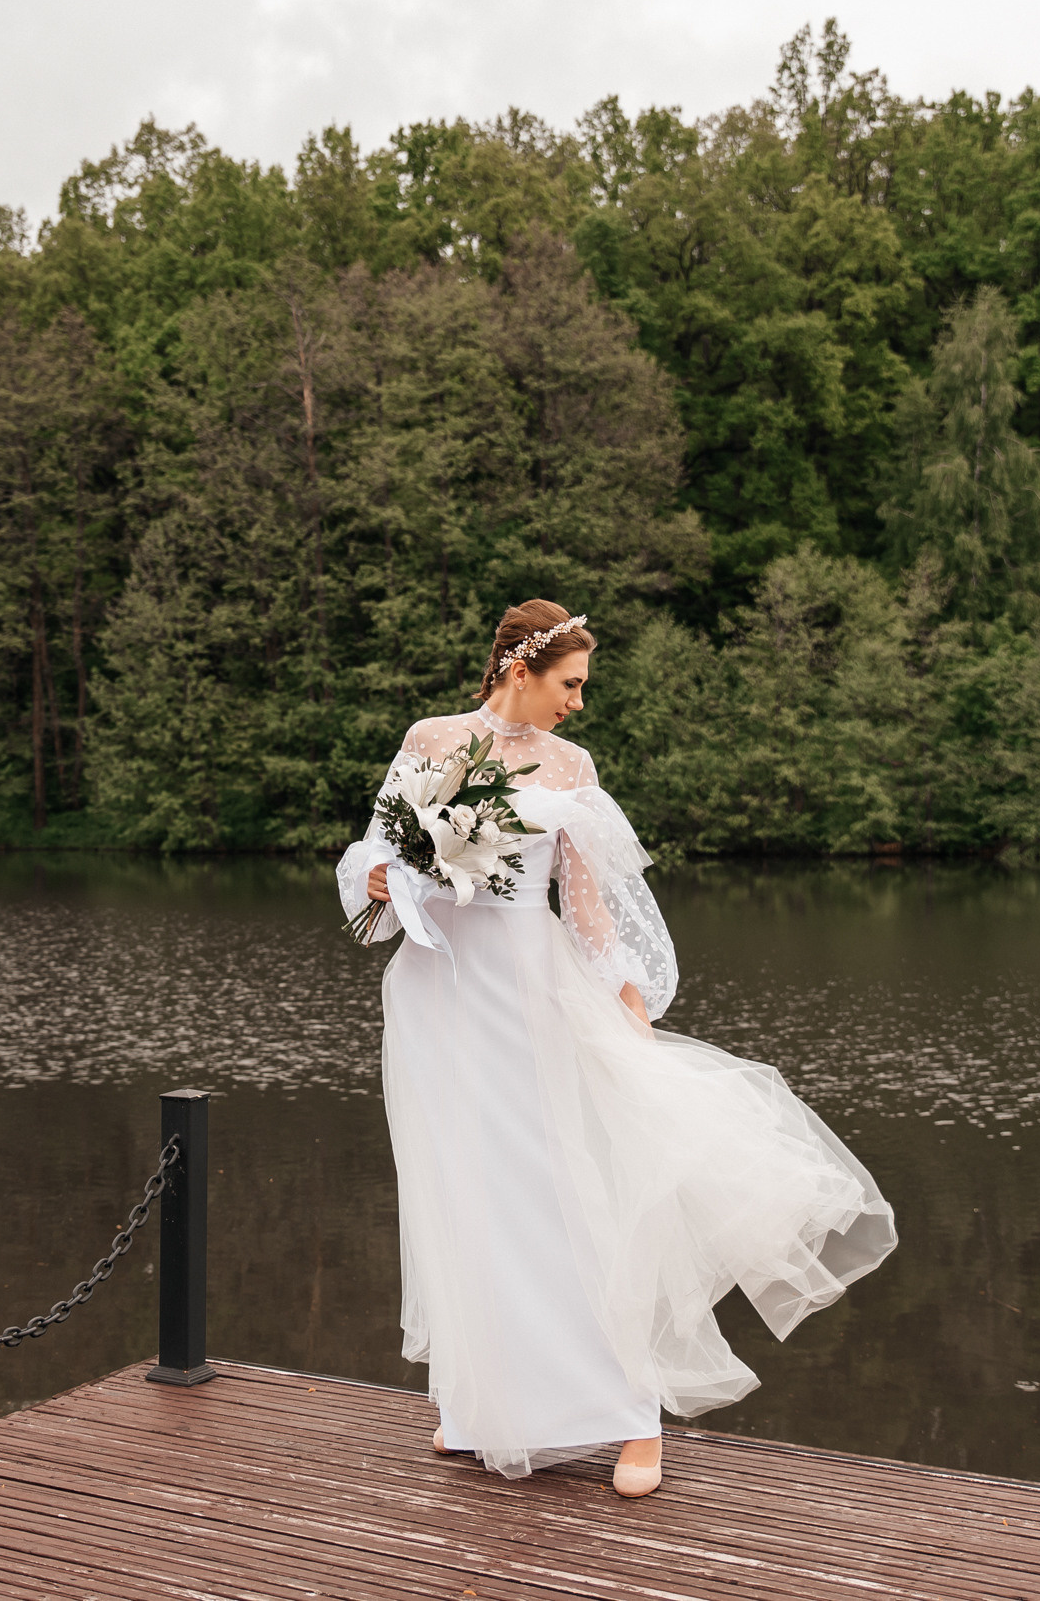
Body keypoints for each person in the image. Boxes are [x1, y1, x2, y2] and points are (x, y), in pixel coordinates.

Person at [336, 599, 898, 1498]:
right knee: (463, 1194)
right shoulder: (431, 740)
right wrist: (380, 869)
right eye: (571, 684)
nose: (579, 703)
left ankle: (635, 1420)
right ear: (519, 672)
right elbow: (373, 850)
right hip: (439, 996)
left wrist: (629, 1015)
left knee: (562, 1201)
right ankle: (481, 1402)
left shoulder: (572, 766)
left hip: (527, 994)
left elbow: (590, 911)